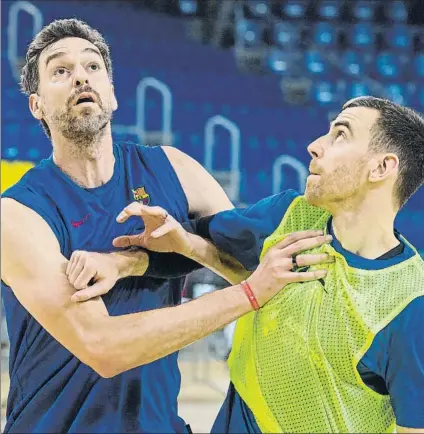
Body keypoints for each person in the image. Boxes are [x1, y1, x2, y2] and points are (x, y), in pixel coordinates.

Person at [0, 18, 331, 433]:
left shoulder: (175, 170)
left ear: (113, 95)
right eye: (60, 71)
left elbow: (251, 269)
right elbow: (102, 346)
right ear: (36, 106)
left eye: (92, 66)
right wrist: (250, 293)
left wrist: (154, 257)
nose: (80, 76)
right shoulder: (19, 213)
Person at [78, 97, 424, 433]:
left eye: (340, 135)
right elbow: (185, 238)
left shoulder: (410, 303)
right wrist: (121, 263)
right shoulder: (289, 214)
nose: (316, 146)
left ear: (382, 167)